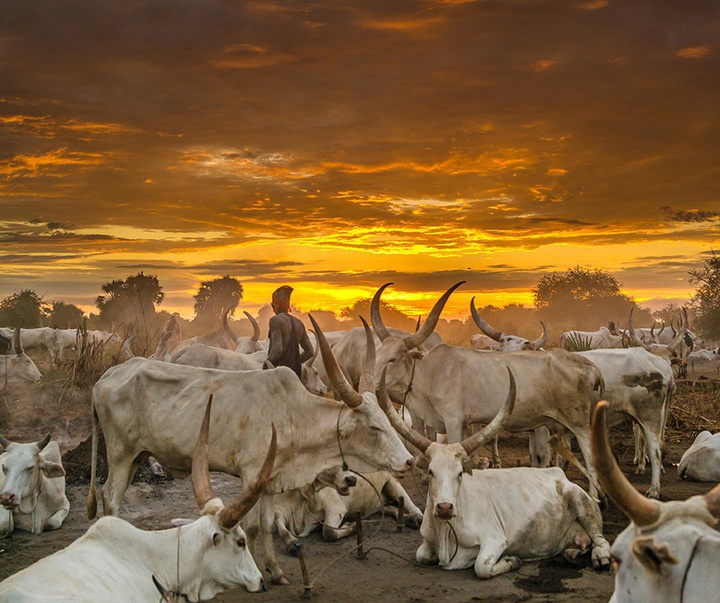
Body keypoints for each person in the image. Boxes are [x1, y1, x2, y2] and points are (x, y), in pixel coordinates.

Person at [264, 286, 314, 378]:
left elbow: (277, 349)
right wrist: (295, 362)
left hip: (279, 375)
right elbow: (310, 352)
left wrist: (266, 365)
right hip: (295, 375)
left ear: (274, 305)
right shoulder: (299, 323)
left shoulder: (275, 320)